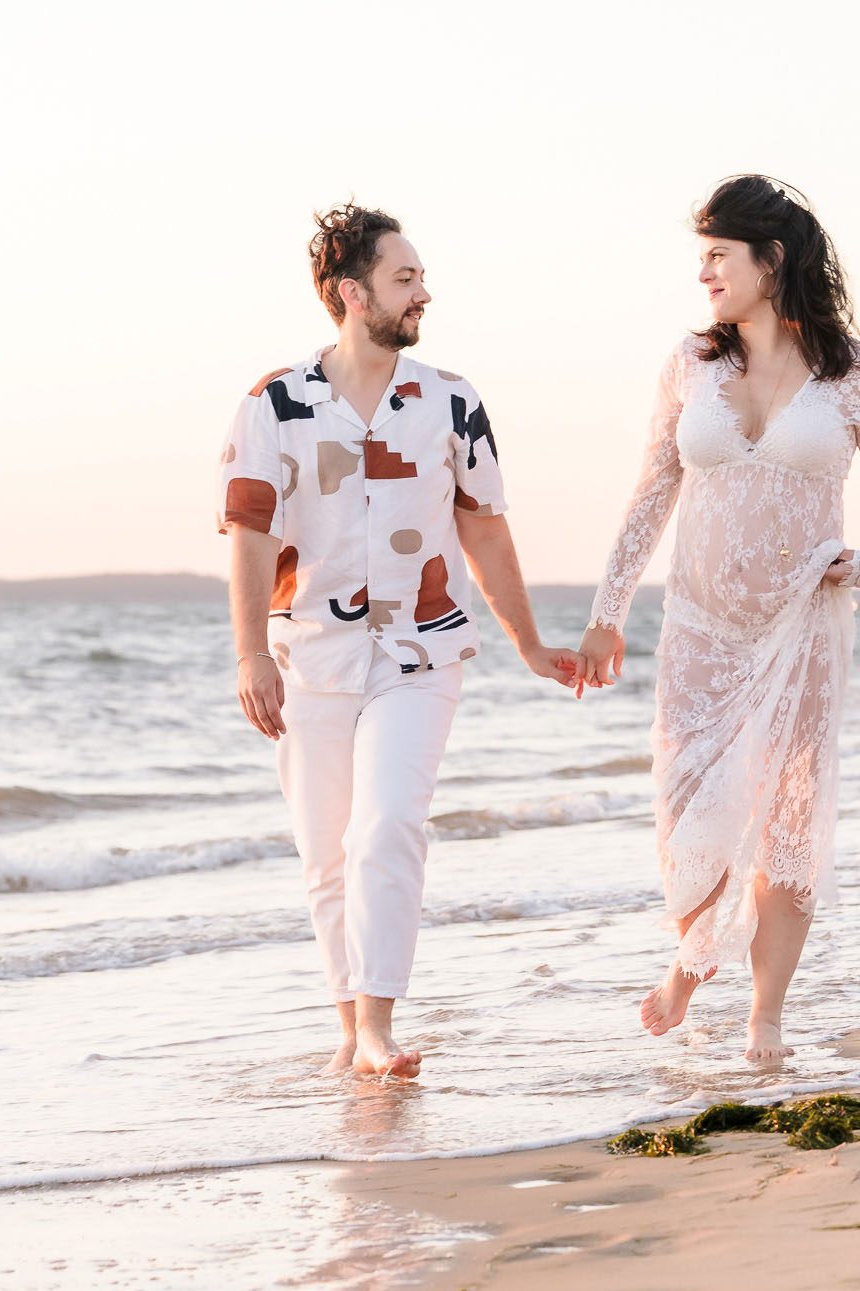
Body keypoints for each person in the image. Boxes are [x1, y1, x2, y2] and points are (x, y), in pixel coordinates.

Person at [221, 204, 580, 1079]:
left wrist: (529, 643)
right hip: (309, 651)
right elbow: (249, 533)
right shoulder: (275, 403)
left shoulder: (452, 403)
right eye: (405, 278)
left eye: (420, 277)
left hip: (423, 651)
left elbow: (486, 530)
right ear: (352, 294)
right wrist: (250, 654)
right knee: (325, 849)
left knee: (387, 826)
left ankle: (377, 1024)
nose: (424, 293)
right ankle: (349, 1026)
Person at [577, 175, 860, 1064]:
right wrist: (605, 613)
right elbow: (653, 489)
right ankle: (690, 969)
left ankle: (765, 1017)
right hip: (698, 627)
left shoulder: (853, 371)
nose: (704, 272)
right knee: (686, 811)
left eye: (718, 255)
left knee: (786, 822)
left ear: (771, 260)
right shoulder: (691, 365)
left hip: (801, 626)